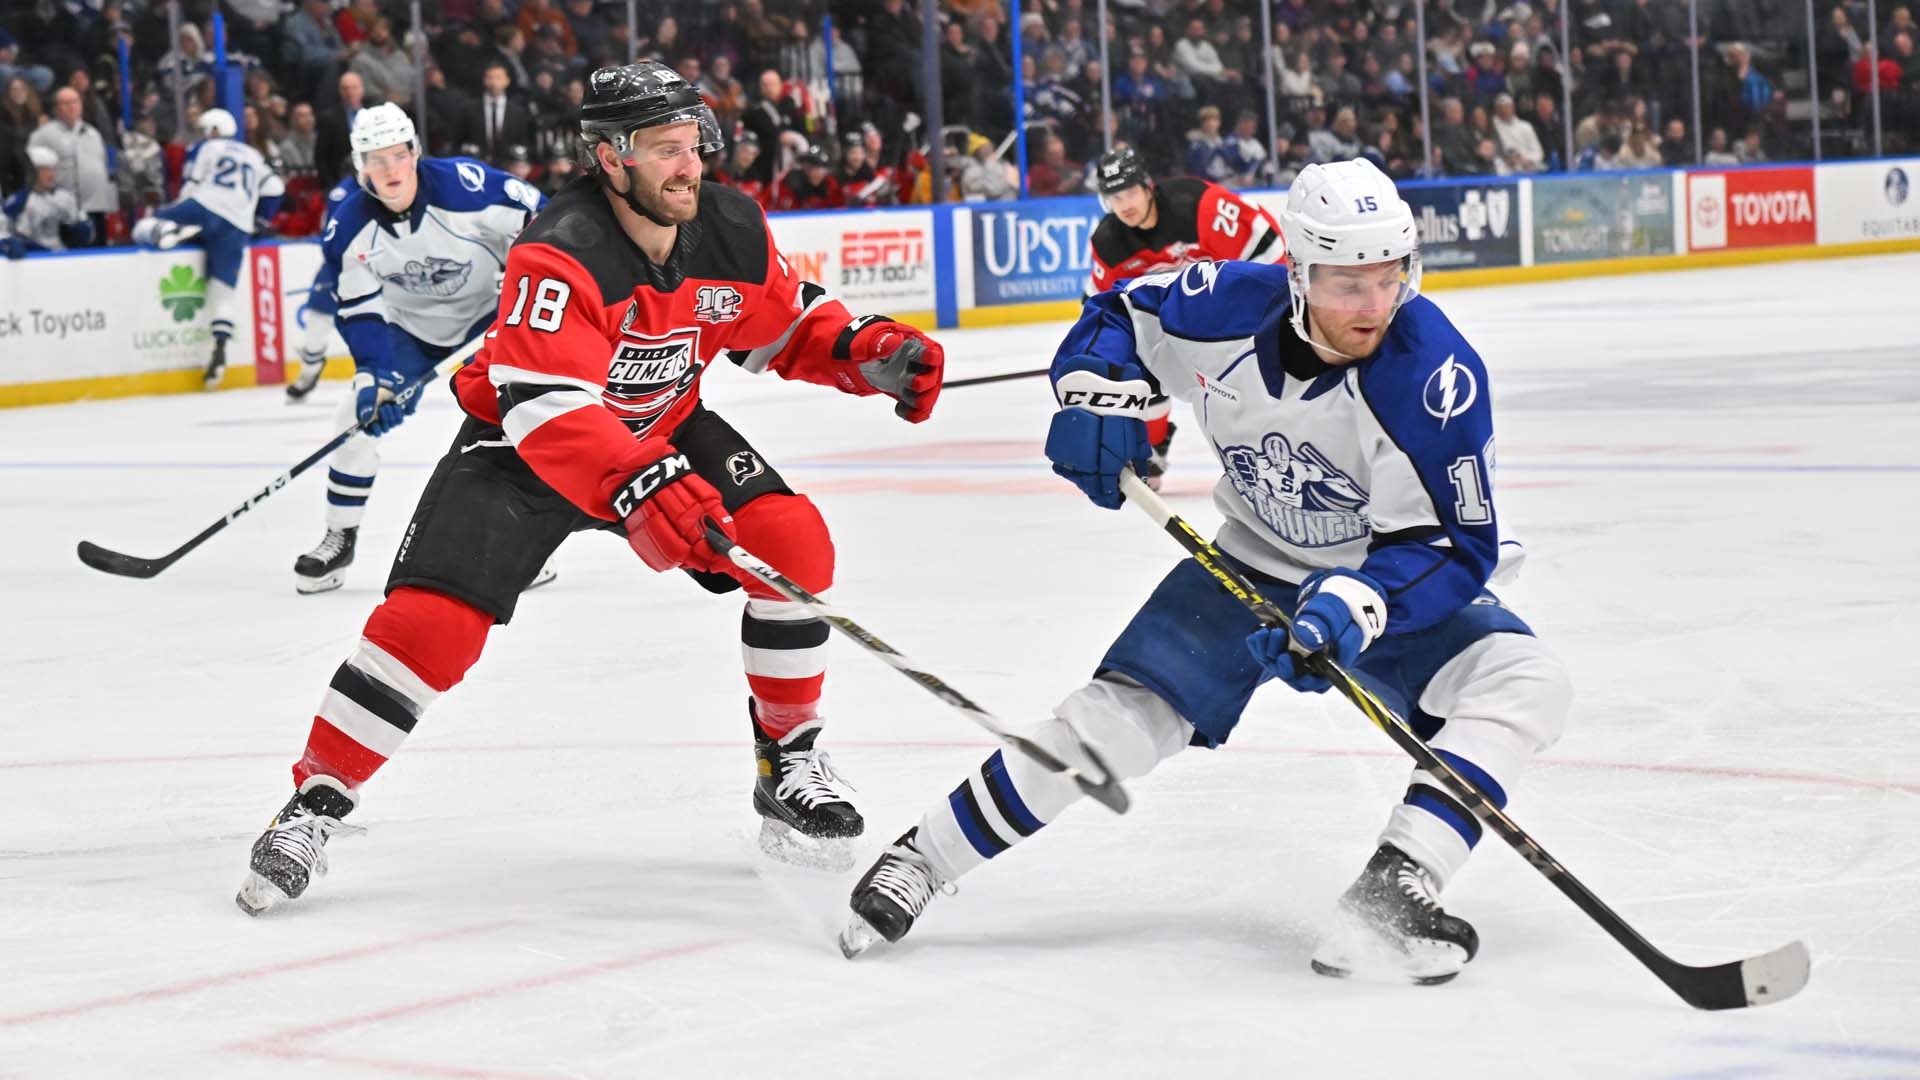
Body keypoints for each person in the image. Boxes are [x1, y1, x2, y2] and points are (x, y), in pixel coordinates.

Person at [235, 61, 948, 915]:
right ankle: (314, 802)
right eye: (665, 149)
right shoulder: (559, 250)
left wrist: (865, 350)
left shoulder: (729, 225)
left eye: (693, 144)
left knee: (793, 543)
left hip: (660, 431)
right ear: (611, 157)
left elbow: (780, 321)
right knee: (430, 626)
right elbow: (546, 404)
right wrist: (644, 482)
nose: (688, 165)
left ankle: (786, 759)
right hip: (525, 450)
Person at [839, 159, 1571, 990]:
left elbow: (1447, 544)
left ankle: (1391, 893)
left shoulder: (1435, 376)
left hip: (1378, 576)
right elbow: (1118, 314)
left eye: (1389, 277)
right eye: (1347, 283)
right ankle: (923, 857)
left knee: (1523, 680)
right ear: (1298, 273)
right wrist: (1095, 397)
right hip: (1252, 559)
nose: (1373, 305)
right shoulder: (1219, 306)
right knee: (1116, 723)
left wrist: (1357, 602)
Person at [289, 103, 545, 595]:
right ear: (360, 166)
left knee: (513, 423)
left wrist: (524, 273)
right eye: (376, 159)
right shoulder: (348, 227)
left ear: (415, 153)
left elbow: (547, 220)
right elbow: (360, 309)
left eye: (398, 155)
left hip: (489, 323)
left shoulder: (466, 187)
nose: (390, 169)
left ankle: (528, 548)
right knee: (354, 418)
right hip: (409, 329)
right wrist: (376, 375)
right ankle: (340, 537)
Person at [1086, 146, 1285, 488]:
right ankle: (1151, 449)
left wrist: (1276, 310)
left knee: (1251, 383)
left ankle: (1273, 449)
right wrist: (1098, 352)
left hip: (1232, 312)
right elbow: (1105, 307)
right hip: (1174, 326)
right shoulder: (1108, 243)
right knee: (1133, 365)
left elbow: (1263, 245)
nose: (1125, 205)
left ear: (1147, 186)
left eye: (1130, 192)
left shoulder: (1197, 206)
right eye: (1115, 198)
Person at [130, 108, 286, 389]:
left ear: (214, 130)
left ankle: (171, 230)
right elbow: (275, 188)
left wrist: (177, 213)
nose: (203, 135)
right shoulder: (253, 155)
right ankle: (220, 353)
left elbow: (191, 185)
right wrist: (260, 221)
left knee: (144, 225)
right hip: (237, 224)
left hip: (205, 206)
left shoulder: (206, 148)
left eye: (205, 130)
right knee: (222, 294)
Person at [283, 175, 359, 402]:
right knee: (318, 316)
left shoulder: (400, 182)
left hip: (385, 262)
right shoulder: (342, 193)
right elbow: (330, 235)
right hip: (342, 264)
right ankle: (310, 370)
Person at [0, 144, 92, 256]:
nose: (51, 174)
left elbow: (82, 229)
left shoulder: (66, 198)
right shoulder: (18, 200)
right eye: (45, 170)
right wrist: (8, 243)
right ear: (34, 172)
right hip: (31, 258)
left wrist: (82, 230)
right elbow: (4, 230)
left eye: (53, 169)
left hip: (61, 256)